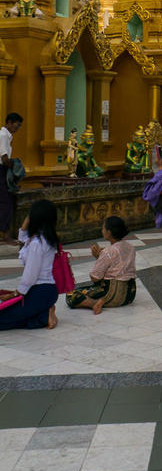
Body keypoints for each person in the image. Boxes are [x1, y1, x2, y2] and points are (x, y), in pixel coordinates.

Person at [0, 199, 58, 330]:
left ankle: (44, 316)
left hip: (40, 291)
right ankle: (43, 312)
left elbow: (30, 276)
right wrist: (24, 226)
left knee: (3, 319)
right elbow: (23, 240)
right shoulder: (44, 238)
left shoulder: (37, 243)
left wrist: (15, 294)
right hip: (44, 291)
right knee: (12, 316)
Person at [66, 216, 136, 314]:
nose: (102, 230)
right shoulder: (130, 247)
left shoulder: (108, 252)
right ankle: (97, 301)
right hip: (130, 294)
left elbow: (95, 278)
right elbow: (118, 266)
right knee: (85, 289)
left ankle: (94, 303)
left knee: (71, 294)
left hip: (112, 295)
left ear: (109, 232)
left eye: (103, 228)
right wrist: (100, 257)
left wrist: (99, 257)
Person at [0, 112, 23, 245]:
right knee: (6, 203)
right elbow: (4, 158)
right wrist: (14, 166)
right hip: (1, 170)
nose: (17, 128)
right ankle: (6, 236)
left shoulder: (7, 136)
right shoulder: (3, 135)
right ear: (9, 123)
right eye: (16, 125)